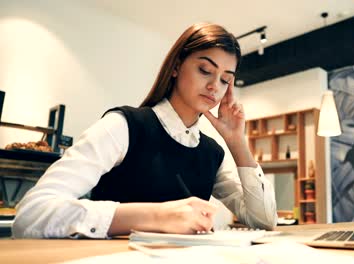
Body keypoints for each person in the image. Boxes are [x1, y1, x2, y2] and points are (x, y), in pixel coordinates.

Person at [12, 22, 277, 238]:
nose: (214, 86)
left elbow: (264, 221)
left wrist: (237, 142)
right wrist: (157, 216)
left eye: (225, 80)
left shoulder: (212, 152)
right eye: (205, 70)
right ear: (175, 67)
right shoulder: (125, 126)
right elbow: (30, 214)